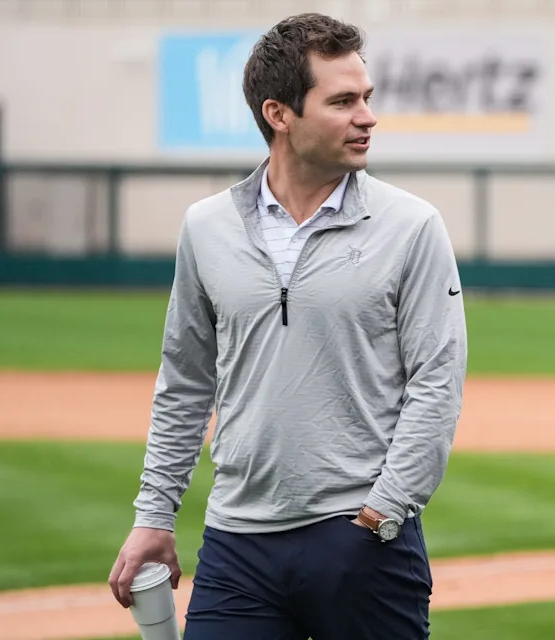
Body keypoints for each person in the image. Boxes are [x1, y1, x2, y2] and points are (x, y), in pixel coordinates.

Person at [107, 12, 467, 640]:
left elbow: (437, 382)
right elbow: (186, 384)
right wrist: (153, 516)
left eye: (368, 98)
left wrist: (384, 514)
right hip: (235, 545)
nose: (368, 116)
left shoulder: (412, 225)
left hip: (361, 539)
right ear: (280, 113)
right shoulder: (206, 227)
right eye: (343, 101)